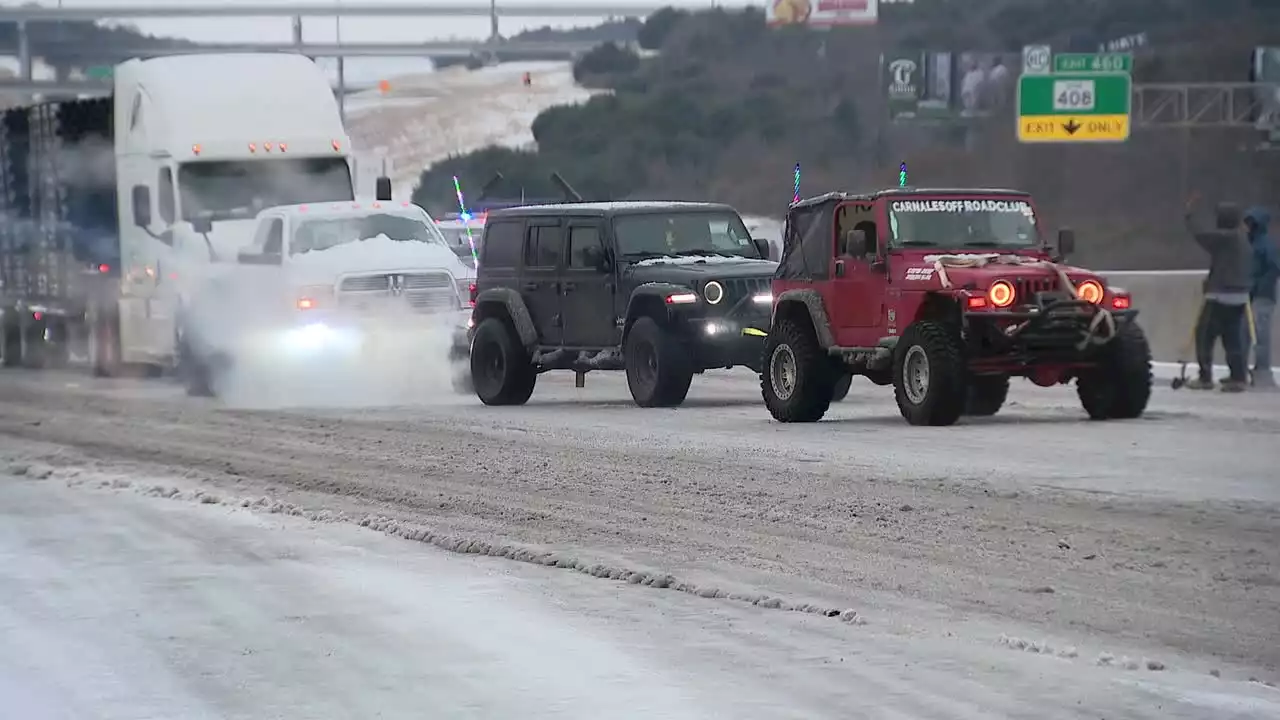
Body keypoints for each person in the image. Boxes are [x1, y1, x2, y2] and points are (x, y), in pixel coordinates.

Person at [1184, 196, 1253, 391]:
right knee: (1232, 337)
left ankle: (1205, 377)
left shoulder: (1225, 238)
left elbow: (1200, 235)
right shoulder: (1244, 239)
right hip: (1240, 296)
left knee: (1204, 335)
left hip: (1219, 295)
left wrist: (1189, 216)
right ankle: (1238, 377)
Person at [1244, 207, 1278, 387]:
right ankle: (1241, 370)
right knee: (1244, 332)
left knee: (1261, 333)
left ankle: (1262, 370)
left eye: (1251, 222)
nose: (1248, 226)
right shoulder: (1247, 244)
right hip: (1248, 294)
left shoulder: (1266, 244)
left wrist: (1259, 287)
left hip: (1263, 296)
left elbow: (1274, 268)